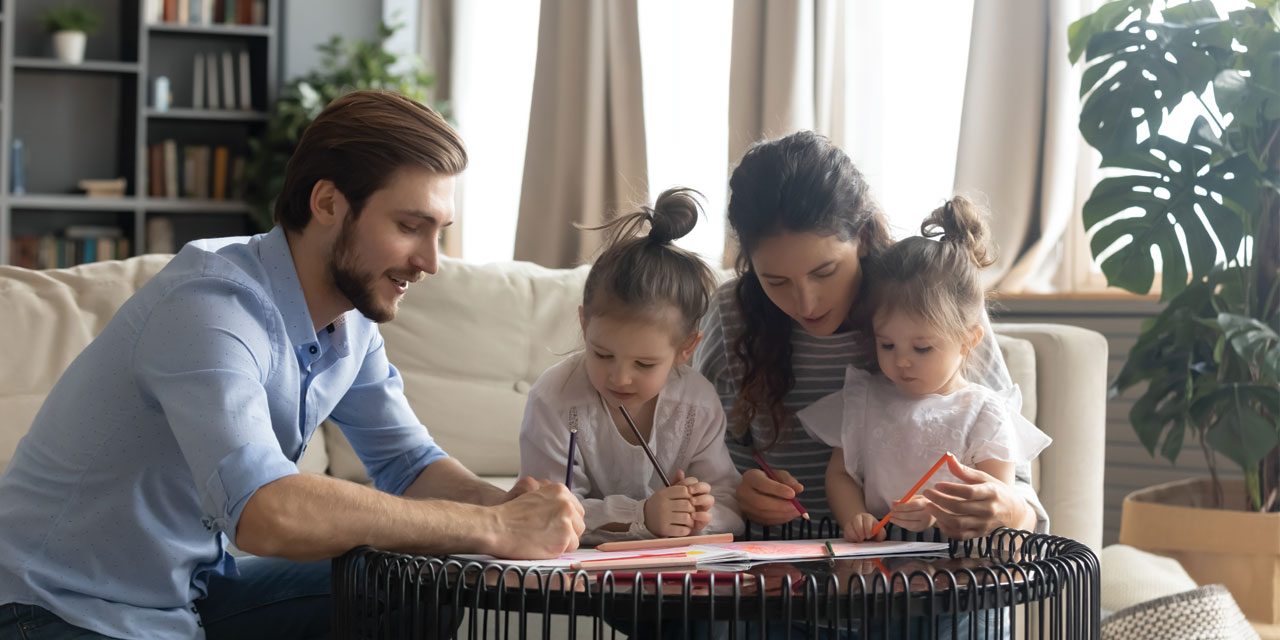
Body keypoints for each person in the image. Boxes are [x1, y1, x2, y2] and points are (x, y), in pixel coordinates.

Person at [0, 90, 584, 640]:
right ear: (327, 202)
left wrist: (506, 508)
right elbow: (265, 511)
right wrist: (491, 529)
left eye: (439, 232)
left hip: (191, 596)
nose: (431, 261)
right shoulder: (209, 306)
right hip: (55, 608)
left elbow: (408, 463)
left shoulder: (350, 320)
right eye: (410, 227)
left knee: (421, 587)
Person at [695, 130, 1048, 539]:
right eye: (775, 281)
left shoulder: (931, 302)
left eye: (824, 272)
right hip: (783, 571)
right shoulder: (731, 315)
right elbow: (705, 464)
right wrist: (737, 494)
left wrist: (1007, 511)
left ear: (861, 238)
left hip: (926, 571)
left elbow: (1019, 495)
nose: (806, 303)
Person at [796, 196, 1052, 542]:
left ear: (968, 340)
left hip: (957, 569)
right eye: (886, 345)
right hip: (877, 567)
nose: (901, 361)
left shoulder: (984, 411)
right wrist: (854, 515)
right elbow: (840, 474)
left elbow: (993, 498)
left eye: (922, 348)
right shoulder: (865, 399)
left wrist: (936, 512)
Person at [520, 188, 744, 546]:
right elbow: (542, 511)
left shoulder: (698, 404)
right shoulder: (555, 399)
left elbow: (731, 505)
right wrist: (640, 516)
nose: (619, 377)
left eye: (644, 363)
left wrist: (701, 513)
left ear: (687, 348)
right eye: (602, 354)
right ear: (583, 324)